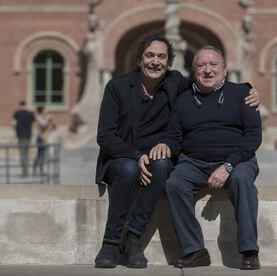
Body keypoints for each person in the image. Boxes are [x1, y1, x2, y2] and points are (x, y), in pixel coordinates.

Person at [94, 36, 260, 269]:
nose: (155, 62)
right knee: (149, 175)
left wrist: (250, 90)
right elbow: (107, 136)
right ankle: (113, 244)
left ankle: (134, 239)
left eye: (161, 57)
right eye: (149, 56)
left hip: (208, 159)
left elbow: (250, 133)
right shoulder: (121, 87)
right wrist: (146, 152)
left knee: (166, 166)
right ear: (139, 60)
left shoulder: (178, 83)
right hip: (130, 156)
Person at [152, 46, 262, 270]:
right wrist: (166, 144)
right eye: (201, 65)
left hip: (237, 160)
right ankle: (194, 251)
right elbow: (175, 136)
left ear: (225, 70)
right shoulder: (183, 101)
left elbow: (253, 137)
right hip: (194, 162)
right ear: (194, 72)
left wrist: (228, 166)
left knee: (242, 180)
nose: (208, 70)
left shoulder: (244, 95)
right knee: (175, 183)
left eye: (213, 65)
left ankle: (249, 251)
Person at [12, 101, 35, 177]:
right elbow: (33, 125)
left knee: (22, 155)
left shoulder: (17, 113)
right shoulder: (30, 114)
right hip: (28, 136)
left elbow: (13, 124)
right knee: (27, 154)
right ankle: (26, 172)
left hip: (20, 136)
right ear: (26, 105)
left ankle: (24, 172)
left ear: (20, 106)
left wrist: (15, 132)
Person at [33, 106, 49, 176]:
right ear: (42, 111)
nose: (46, 111)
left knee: (43, 154)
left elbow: (47, 128)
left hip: (44, 138)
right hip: (40, 138)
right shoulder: (38, 118)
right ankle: (35, 169)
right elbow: (37, 128)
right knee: (39, 154)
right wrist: (42, 136)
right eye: (45, 110)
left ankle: (41, 170)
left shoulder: (45, 118)